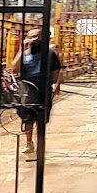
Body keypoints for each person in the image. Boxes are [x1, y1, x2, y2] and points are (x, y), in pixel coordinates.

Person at [12, 26, 62, 162]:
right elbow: (14, 68)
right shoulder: (25, 54)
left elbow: (57, 71)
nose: (34, 39)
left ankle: (40, 146)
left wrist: (56, 85)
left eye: (36, 36)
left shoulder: (50, 54)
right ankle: (29, 143)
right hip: (27, 90)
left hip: (43, 91)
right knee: (27, 119)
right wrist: (22, 49)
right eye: (31, 36)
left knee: (41, 120)